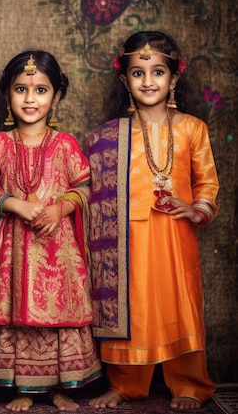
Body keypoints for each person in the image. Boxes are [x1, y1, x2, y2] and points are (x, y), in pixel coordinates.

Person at [87, 31, 218, 411]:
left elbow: (207, 182)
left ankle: (190, 384)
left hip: (176, 230)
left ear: (174, 78)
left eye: (158, 71)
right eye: (138, 73)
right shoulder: (108, 136)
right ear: (125, 80)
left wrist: (198, 209)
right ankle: (126, 384)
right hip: (126, 234)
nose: (148, 81)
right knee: (133, 304)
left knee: (180, 302)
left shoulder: (192, 128)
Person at [0, 50, 102, 412]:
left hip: (58, 250)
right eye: (21, 89)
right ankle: (22, 389)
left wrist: (61, 207)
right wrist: (16, 205)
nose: (30, 99)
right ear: (7, 95)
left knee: (59, 314)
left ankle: (60, 387)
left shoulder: (65, 144)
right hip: (12, 250)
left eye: (41, 90)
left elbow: (86, 187)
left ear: (56, 96)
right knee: (15, 314)